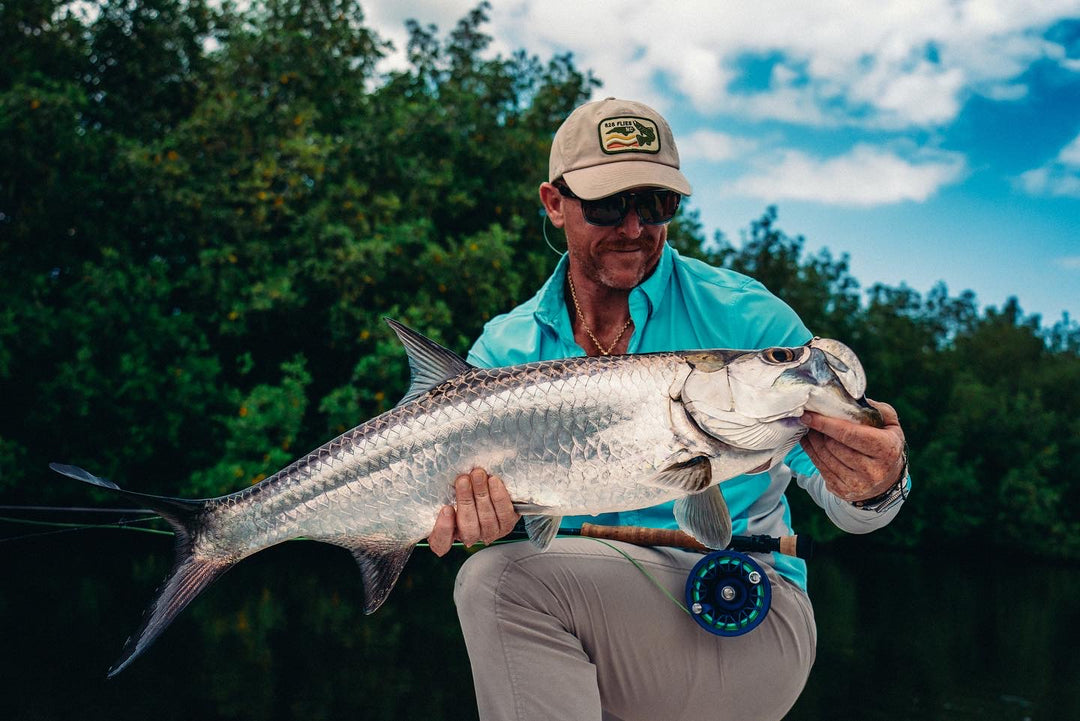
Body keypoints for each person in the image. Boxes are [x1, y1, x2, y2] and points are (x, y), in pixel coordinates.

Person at [427, 97, 909, 721]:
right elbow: (473, 514)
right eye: (606, 204)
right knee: (505, 572)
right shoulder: (504, 348)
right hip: (582, 607)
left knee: (502, 583)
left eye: (655, 203)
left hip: (745, 604)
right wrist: (469, 518)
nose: (633, 227)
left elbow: (853, 512)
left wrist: (880, 485)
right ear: (553, 203)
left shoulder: (754, 327)